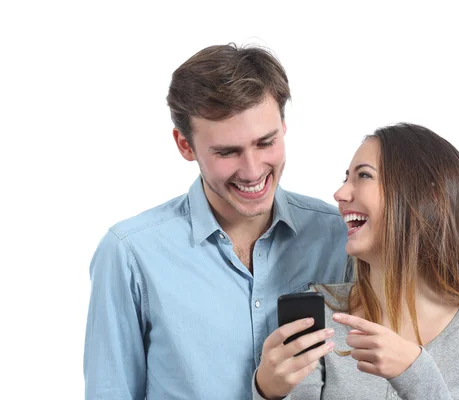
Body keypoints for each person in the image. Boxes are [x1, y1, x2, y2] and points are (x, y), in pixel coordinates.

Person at [83, 43, 350, 399]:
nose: (253, 170)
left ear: (284, 128)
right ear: (185, 146)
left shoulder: (339, 236)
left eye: (265, 142)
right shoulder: (130, 254)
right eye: (227, 152)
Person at [253, 123, 459, 399]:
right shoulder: (319, 312)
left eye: (363, 176)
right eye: (346, 177)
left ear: (429, 197)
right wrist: (266, 392)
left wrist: (414, 372)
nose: (340, 195)